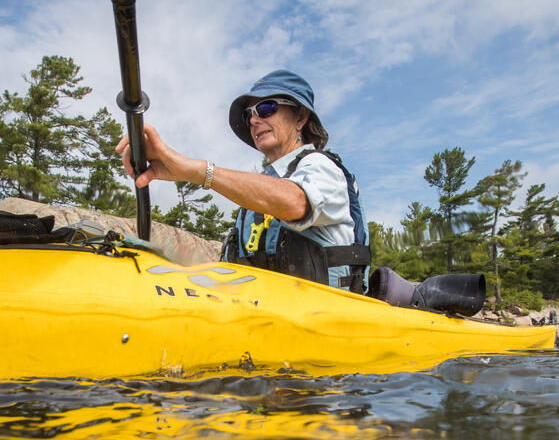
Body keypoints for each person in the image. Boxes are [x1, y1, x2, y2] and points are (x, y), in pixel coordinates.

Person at [116, 69, 370, 291]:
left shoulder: (322, 167)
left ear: (301, 118)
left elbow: (294, 202)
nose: (253, 120)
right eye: (250, 114)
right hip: (264, 323)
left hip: (324, 328)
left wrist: (193, 170)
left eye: (266, 108)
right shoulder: (259, 193)